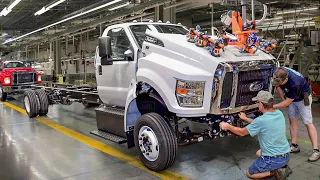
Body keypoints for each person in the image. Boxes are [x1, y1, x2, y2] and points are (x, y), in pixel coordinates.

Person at [220, 90, 291, 179]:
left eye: (258, 102)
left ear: (261, 104)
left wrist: (227, 126)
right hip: (286, 155)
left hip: (272, 159)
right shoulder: (279, 113)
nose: (257, 104)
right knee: (258, 153)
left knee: (249, 173)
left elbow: (241, 132)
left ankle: (275, 171)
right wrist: (245, 118)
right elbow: (261, 125)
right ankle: (281, 166)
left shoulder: (261, 120)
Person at [272, 67, 320, 162]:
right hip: (290, 97)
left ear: (285, 79)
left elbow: (287, 103)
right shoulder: (278, 72)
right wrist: (283, 100)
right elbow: (278, 87)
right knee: (292, 120)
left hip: (302, 99)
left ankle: (316, 150)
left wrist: (271, 107)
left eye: (280, 82)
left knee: (308, 123)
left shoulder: (295, 83)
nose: (278, 83)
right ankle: (294, 146)